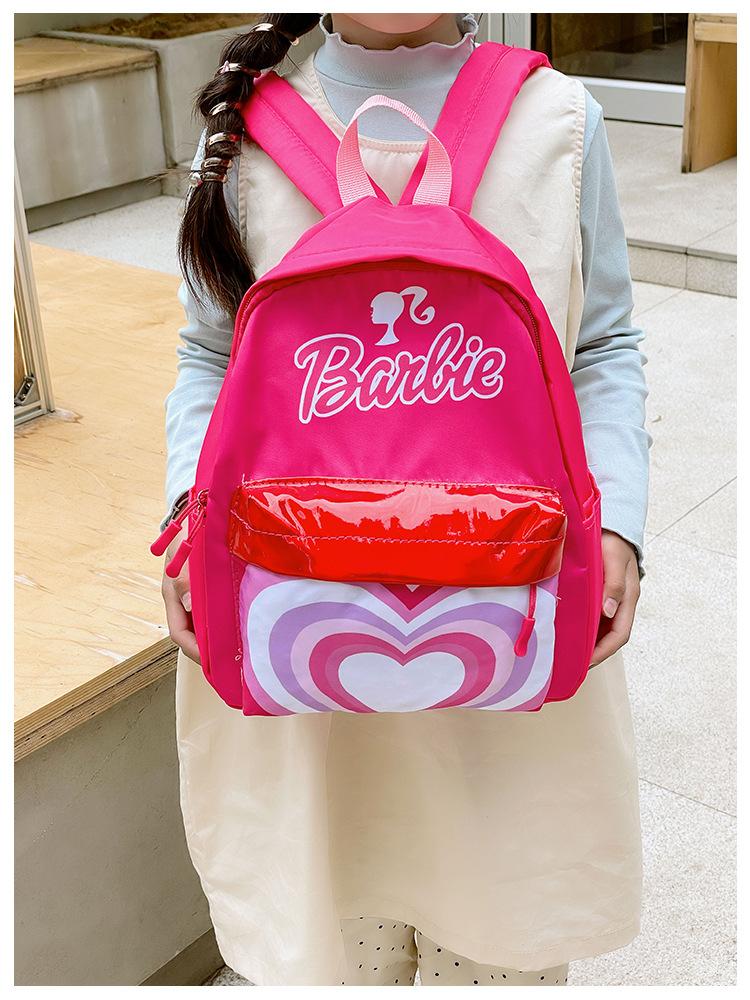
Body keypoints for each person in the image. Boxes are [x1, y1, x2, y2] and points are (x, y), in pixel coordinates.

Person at [160, 13, 649, 987]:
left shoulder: (558, 120)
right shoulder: (245, 132)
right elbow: (209, 352)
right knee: (341, 914)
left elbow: (602, 343)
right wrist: (188, 510)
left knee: (502, 926)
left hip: (510, 611)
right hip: (299, 622)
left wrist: (623, 524)